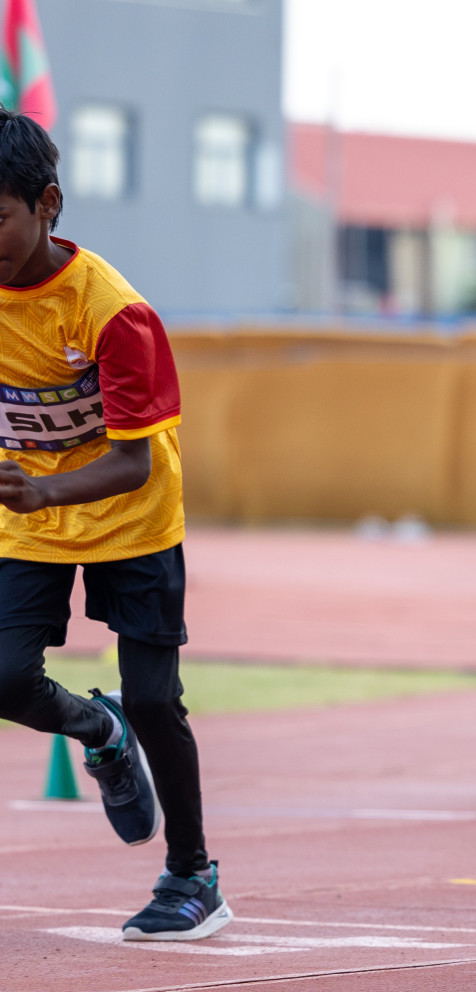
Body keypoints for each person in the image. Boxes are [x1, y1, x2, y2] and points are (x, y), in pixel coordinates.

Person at [0, 109, 230, 940]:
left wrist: (37, 492)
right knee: (3, 678)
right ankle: (99, 731)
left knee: (156, 696)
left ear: (47, 203)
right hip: (29, 518)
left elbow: (133, 462)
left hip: (130, 514)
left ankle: (192, 874)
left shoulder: (113, 313)